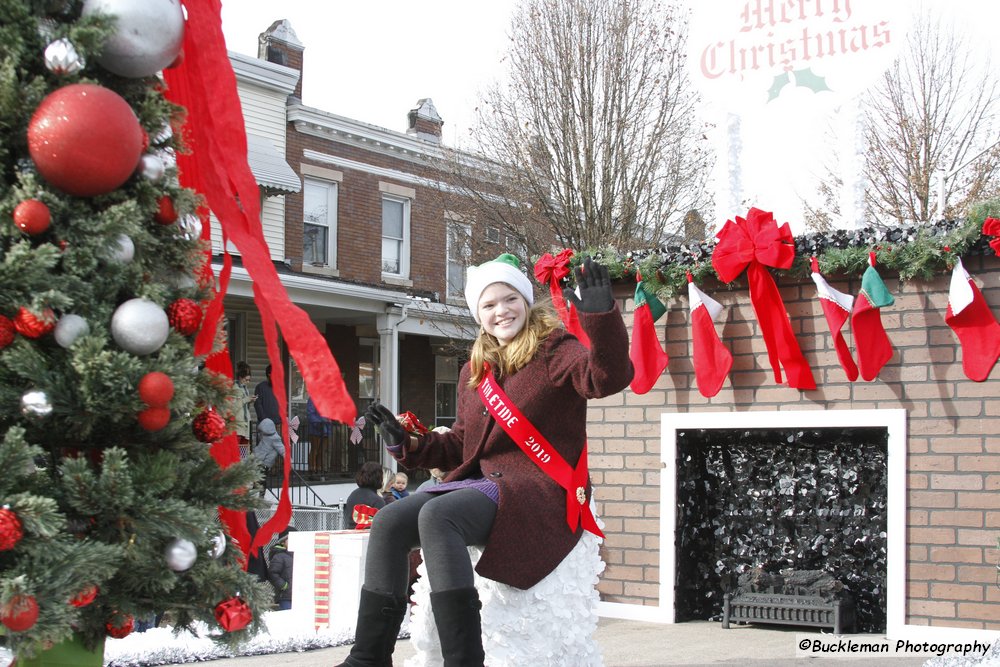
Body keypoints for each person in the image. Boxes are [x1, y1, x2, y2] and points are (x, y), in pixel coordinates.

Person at [335, 254, 632, 667]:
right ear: (479, 314)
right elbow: (460, 444)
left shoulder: (556, 350)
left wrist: (602, 318)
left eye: (509, 299)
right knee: (389, 522)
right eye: (489, 305)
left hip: (536, 488)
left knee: (440, 516)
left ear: (525, 302)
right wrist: (407, 444)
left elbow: (606, 378)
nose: (501, 311)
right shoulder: (475, 370)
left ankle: (463, 661)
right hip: (480, 483)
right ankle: (367, 658)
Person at [345, 461, 386, 529]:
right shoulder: (377, 500)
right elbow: (380, 526)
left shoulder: (353, 495)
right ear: (379, 477)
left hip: (351, 533)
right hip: (369, 536)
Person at [252, 418, 284, 494]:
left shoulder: (275, 439)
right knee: (256, 476)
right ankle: (256, 491)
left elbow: (282, 449)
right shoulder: (265, 436)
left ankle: (261, 495)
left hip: (266, 462)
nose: (262, 432)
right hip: (259, 459)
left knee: (262, 478)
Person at [268, 527, 295, 610]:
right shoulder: (279, 556)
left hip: (299, 596)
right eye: (291, 539)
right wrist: (284, 586)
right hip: (285, 597)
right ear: (283, 542)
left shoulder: (299, 555)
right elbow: (272, 573)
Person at [254, 364, 281, 431]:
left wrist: (279, 419)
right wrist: (264, 420)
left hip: (277, 424)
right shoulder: (260, 387)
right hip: (264, 424)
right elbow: (257, 405)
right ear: (269, 374)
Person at [233, 361, 255, 446]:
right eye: (246, 380)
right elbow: (233, 408)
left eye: (249, 380)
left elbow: (244, 408)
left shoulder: (245, 389)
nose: (248, 382)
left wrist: (250, 400)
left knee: (245, 451)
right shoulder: (234, 388)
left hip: (246, 424)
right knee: (237, 449)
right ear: (240, 378)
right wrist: (245, 400)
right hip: (237, 425)